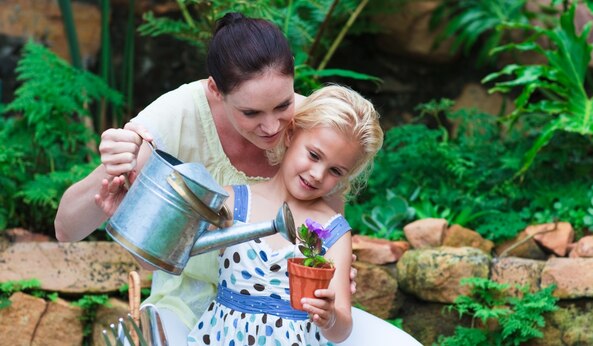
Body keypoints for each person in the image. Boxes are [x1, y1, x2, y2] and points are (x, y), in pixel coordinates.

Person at [55, 12, 421, 345]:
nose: (272, 127)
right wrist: (121, 193)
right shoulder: (177, 116)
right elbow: (85, 234)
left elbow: (328, 231)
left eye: (283, 105)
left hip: (294, 323)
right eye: (251, 112)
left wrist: (334, 284)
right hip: (196, 306)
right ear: (216, 89)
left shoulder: (316, 127)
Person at [188, 84, 383, 345]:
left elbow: (342, 329)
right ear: (290, 134)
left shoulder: (334, 232)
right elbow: (172, 244)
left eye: (335, 171)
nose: (317, 174)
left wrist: (330, 317)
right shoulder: (234, 202)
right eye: (314, 155)